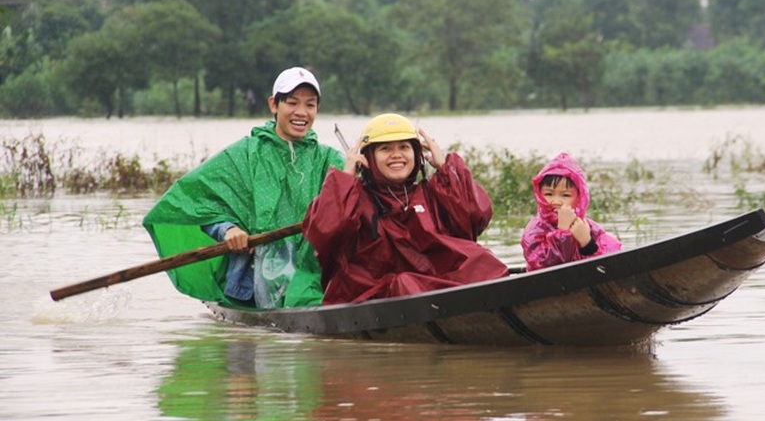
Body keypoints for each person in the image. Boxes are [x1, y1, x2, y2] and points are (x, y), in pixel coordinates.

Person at [143, 67, 344, 308]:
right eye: (292, 103)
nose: (301, 112)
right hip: (252, 278)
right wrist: (228, 230)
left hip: (312, 273)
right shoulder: (244, 154)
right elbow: (197, 200)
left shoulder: (328, 159)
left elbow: (357, 199)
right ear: (274, 104)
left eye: (310, 105)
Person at [302, 113, 509, 305]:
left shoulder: (432, 192)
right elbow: (324, 232)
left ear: (416, 153)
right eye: (385, 149)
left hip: (433, 281)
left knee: (484, 261)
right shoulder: (353, 199)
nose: (396, 155)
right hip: (376, 290)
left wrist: (446, 167)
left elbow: (476, 217)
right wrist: (346, 178)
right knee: (405, 284)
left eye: (404, 147)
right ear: (369, 157)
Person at [521, 152, 622, 271]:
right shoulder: (534, 230)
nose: (556, 201)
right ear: (540, 195)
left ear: (579, 197)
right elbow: (542, 265)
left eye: (565, 195)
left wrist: (588, 244)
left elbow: (613, 261)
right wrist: (563, 232)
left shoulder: (586, 226)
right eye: (549, 194)